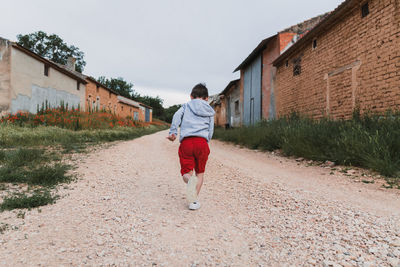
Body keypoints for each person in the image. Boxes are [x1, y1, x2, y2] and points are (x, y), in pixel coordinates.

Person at [167, 83, 215, 210]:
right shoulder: (209, 110)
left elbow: (176, 116)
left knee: (186, 173)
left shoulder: (186, 106)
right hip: (202, 143)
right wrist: (206, 141)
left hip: (187, 143)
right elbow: (210, 129)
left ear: (191, 96)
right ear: (207, 98)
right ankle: (193, 202)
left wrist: (173, 132)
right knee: (200, 173)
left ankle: (189, 180)